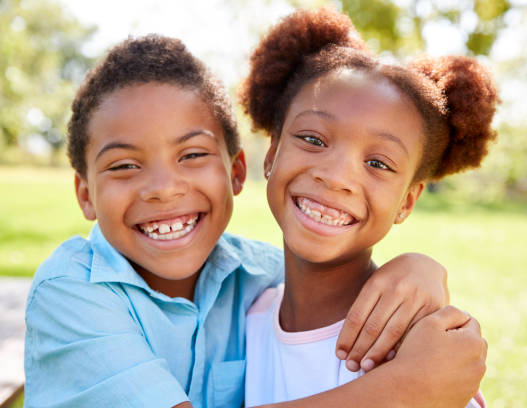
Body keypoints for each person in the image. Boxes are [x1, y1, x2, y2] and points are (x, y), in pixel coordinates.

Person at [24, 35, 486, 408]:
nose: (163, 189)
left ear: (237, 170)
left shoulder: (256, 282)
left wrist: (419, 268)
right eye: (124, 165)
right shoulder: (72, 291)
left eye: (192, 154)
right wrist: (410, 390)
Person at [240, 8, 497, 408]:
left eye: (378, 163)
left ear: (407, 202)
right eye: (313, 139)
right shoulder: (245, 314)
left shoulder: (422, 354)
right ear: (271, 154)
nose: (337, 176)